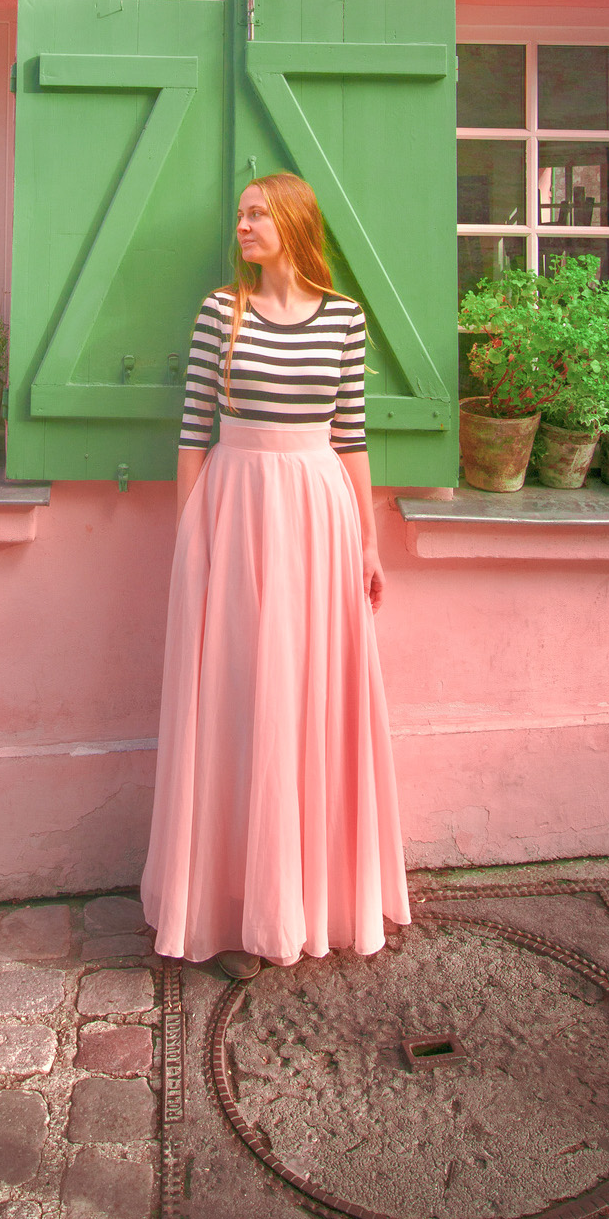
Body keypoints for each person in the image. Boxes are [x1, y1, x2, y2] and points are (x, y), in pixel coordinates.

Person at [141, 172, 412, 976]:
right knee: (238, 698)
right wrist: (189, 529)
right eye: (240, 214)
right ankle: (234, 906)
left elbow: (352, 436)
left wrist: (366, 539)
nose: (245, 225)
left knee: (307, 701)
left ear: (293, 221)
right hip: (236, 514)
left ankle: (310, 899)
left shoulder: (344, 320)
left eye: (257, 213)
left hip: (319, 520)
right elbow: (194, 428)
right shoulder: (220, 314)